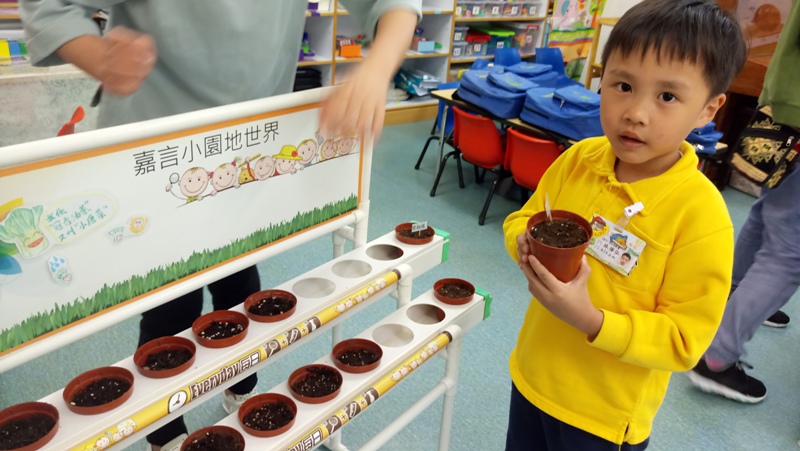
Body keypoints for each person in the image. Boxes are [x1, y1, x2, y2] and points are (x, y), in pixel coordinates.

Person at [19, 1, 421, 450]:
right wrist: (97, 54)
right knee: (171, 303)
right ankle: (165, 432)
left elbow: (397, 6)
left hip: (249, 146)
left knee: (242, 282)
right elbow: (48, 7)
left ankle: (242, 385)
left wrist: (376, 70)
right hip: (159, 145)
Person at [502, 1, 745, 449]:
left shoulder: (701, 215)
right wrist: (521, 240)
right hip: (534, 376)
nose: (636, 112)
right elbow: (524, 216)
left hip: (603, 417)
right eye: (623, 85)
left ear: (707, 110)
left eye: (667, 96)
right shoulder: (579, 159)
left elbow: (683, 339)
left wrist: (592, 320)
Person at [687, 0, 800, 404]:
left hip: (781, 103)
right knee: (789, 252)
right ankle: (717, 358)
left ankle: (736, 294)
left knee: (767, 213)